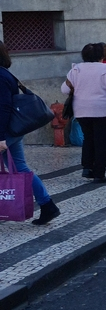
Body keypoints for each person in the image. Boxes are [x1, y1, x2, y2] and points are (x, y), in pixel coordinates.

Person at [0, 41, 60, 224]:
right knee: (20, 168)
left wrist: (1, 137)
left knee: (20, 167)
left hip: (6, 132)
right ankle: (47, 205)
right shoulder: (5, 74)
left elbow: (3, 108)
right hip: (13, 131)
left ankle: (46, 205)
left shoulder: (1, 77)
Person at [62, 43, 106, 182]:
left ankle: (87, 167)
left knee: (88, 138)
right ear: (101, 55)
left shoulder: (76, 70)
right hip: (102, 110)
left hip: (81, 110)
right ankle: (99, 173)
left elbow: (64, 90)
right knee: (101, 141)